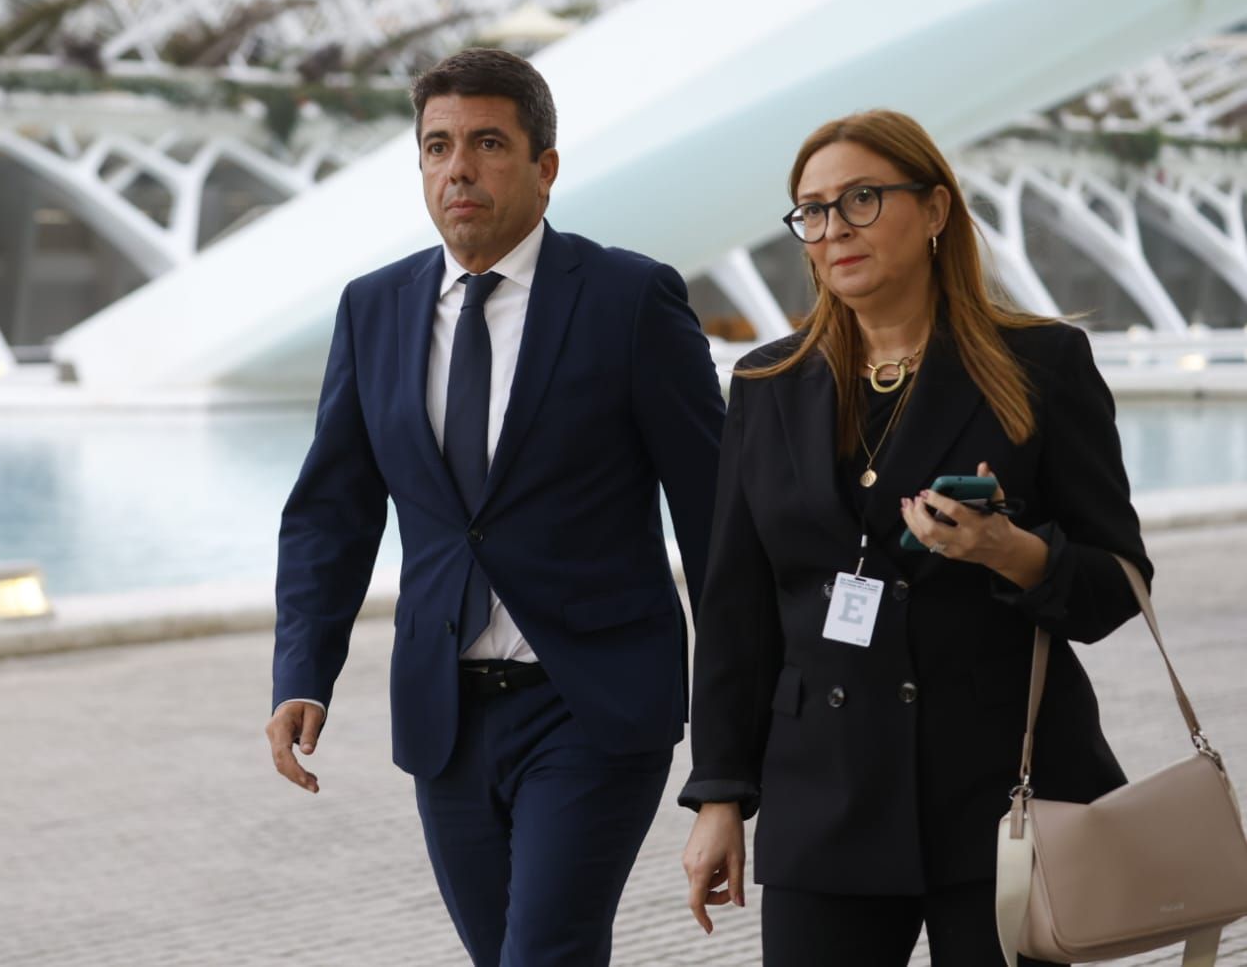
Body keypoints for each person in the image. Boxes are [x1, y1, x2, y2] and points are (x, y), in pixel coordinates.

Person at [268, 47, 726, 966]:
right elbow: (333, 510)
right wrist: (302, 671)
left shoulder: (629, 299)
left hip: (592, 705)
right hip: (447, 717)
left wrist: (730, 751)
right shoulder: (374, 308)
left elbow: (715, 519)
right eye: (436, 147)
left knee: (543, 954)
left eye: (486, 144)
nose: (458, 169)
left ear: (544, 167)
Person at [678, 109, 1150, 966]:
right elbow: (734, 607)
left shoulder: (1041, 363)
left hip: (1002, 793)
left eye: (861, 199)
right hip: (822, 794)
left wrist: (1009, 551)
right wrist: (719, 796)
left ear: (935, 210)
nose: (833, 229)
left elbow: (1117, 581)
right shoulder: (767, 382)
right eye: (813, 211)